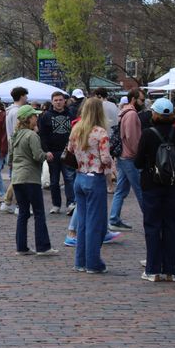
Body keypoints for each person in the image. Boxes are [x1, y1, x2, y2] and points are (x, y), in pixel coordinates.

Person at [133, 98, 175, 282]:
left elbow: (138, 161)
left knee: (152, 226)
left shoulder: (148, 133)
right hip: (174, 184)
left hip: (151, 184)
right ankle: (170, 271)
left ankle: (153, 270)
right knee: (171, 226)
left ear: (154, 113)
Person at [67, 97, 114, 274]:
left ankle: (80, 261)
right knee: (96, 223)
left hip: (80, 177)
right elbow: (106, 159)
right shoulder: (101, 132)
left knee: (83, 222)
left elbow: (70, 151)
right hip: (95, 178)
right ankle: (93, 262)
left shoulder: (76, 128)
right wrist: (110, 179)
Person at [9, 104, 57, 256]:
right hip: (30, 177)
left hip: (17, 178)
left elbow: (10, 158)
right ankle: (43, 246)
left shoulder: (15, 135)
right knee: (38, 212)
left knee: (23, 213)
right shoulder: (31, 136)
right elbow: (37, 155)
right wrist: (47, 155)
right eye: (34, 115)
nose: (37, 117)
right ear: (29, 118)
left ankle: (21, 246)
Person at [109, 88, 145, 231]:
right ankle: (150, 218)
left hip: (124, 156)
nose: (143, 102)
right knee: (140, 189)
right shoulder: (131, 114)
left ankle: (114, 218)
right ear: (133, 99)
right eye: (141, 99)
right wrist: (138, 154)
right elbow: (132, 137)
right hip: (129, 157)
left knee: (122, 189)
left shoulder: (125, 112)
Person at [38, 91, 76, 215]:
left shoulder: (71, 114)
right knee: (54, 181)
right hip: (52, 152)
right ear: (52, 101)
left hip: (68, 151)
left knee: (69, 179)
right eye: (56, 100)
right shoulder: (45, 116)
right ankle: (56, 204)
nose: (58, 102)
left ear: (64, 101)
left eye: (60, 100)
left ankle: (71, 203)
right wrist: (46, 150)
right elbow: (42, 136)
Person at [1, 86, 29, 213]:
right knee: (20, 178)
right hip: (18, 147)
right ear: (22, 96)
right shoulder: (18, 111)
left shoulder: (10, 111)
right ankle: (17, 204)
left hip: (13, 146)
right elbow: (18, 131)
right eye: (26, 96)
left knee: (17, 177)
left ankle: (8, 202)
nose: (27, 98)